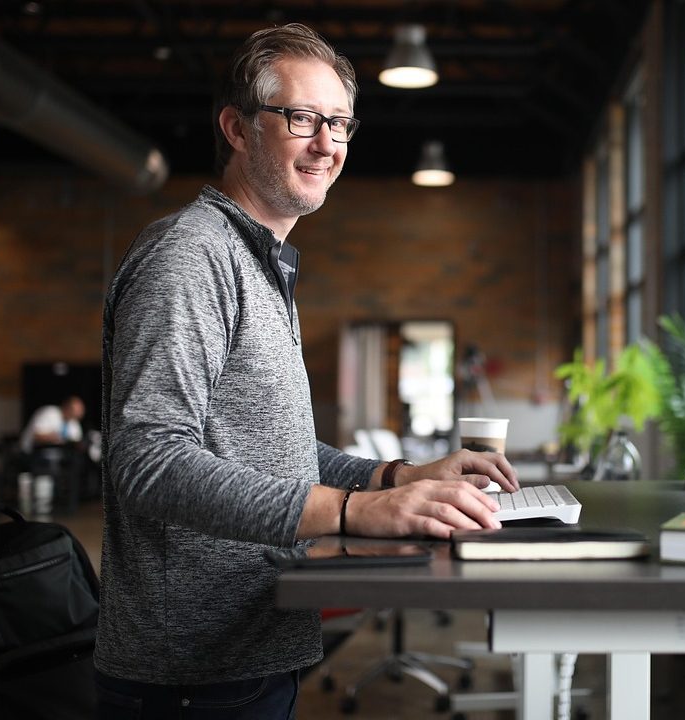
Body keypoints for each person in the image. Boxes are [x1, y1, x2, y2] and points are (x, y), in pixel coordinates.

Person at [94, 23, 519, 719]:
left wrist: (395, 479)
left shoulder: (260, 264)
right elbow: (148, 460)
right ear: (237, 127)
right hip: (189, 676)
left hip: (251, 648)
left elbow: (273, 453)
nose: (327, 144)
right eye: (301, 118)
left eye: (340, 123)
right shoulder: (190, 257)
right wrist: (352, 510)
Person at [19, 395, 84, 453]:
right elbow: (35, 436)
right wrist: (54, 437)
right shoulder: (49, 413)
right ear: (66, 406)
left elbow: (76, 442)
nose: (77, 414)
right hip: (30, 452)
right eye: (74, 410)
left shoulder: (74, 423)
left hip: (57, 456)